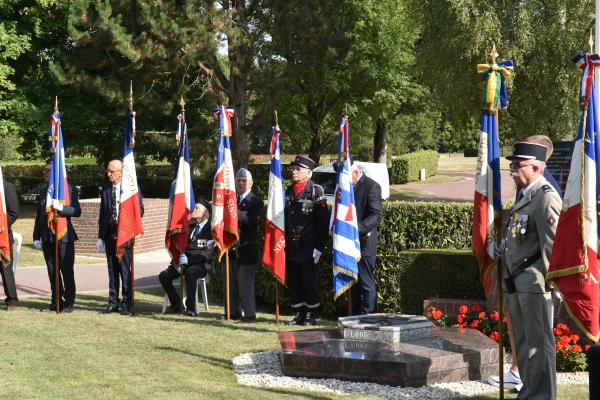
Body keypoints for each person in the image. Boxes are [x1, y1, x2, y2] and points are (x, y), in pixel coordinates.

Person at [501, 141, 561, 400]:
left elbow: (553, 245)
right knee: (524, 345)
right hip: (518, 283)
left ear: (536, 167)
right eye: (511, 166)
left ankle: (542, 395)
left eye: (517, 165)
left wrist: (554, 284)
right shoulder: (527, 195)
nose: (513, 171)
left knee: (539, 346)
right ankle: (529, 391)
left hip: (536, 284)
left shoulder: (545, 196)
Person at [285, 155, 329, 326]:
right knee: (294, 280)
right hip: (291, 244)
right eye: (293, 169)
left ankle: (310, 314)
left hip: (309, 245)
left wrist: (319, 247)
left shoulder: (316, 191)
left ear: (309, 173)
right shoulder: (289, 190)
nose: (294, 172)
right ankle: (298, 313)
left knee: (309, 280)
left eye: (298, 169)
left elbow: (322, 222)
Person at [33, 161, 81, 313]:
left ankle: (69, 303)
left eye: (47, 171)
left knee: (66, 271)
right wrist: (36, 236)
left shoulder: (69, 189)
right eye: (44, 171)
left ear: (55, 173)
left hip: (64, 236)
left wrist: (63, 209)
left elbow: (76, 210)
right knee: (52, 272)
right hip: (47, 237)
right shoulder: (42, 191)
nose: (44, 174)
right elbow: (39, 216)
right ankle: (55, 302)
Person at [97, 159, 144, 315]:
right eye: (108, 171)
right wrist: (100, 237)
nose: (109, 174)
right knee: (112, 270)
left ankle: (126, 302)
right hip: (110, 233)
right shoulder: (105, 190)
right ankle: (113, 301)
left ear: (120, 172)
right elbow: (103, 215)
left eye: (112, 171)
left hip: (124, 234)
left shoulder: (131, 189)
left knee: (124, 270)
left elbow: (140, 211)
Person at [219, 168, 264, 322]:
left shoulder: (255, 201)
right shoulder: (231, 200)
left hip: (246, 248)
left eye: (244, 180)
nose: (241, 183)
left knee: (245, 285)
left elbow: (251, 221)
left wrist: (232, 210)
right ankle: (231, 312)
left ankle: (250, 314)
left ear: (251, 183)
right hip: (229, 248)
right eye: (238, 180)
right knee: (229, 284)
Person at [160, 201, 214, 316]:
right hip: (183, 262)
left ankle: (191, 308)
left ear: (205, 213)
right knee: (163, 276)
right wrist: (176, 262)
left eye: (197, 208)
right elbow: (180, 246)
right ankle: (177, 304)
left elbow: (207, 254)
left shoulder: (211, 230)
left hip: (200, 264)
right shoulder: (189, 226)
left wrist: (189, 261)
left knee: (190, 272)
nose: (193, 210)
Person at [349, 162, 382, 315]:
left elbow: (375, 216)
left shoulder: (371, 186)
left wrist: (357, 229)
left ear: (355, 173)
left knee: (366, 283)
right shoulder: (346, 187)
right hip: (348, 243)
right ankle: (353, 315)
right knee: (352, 283)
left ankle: (369, 315)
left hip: (364, 243)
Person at [0, 178, 19, 311]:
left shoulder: (7, 187)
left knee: (5, 269)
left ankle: (12, 300)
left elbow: (14, 212)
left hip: (3, 236)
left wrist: (2, 226)